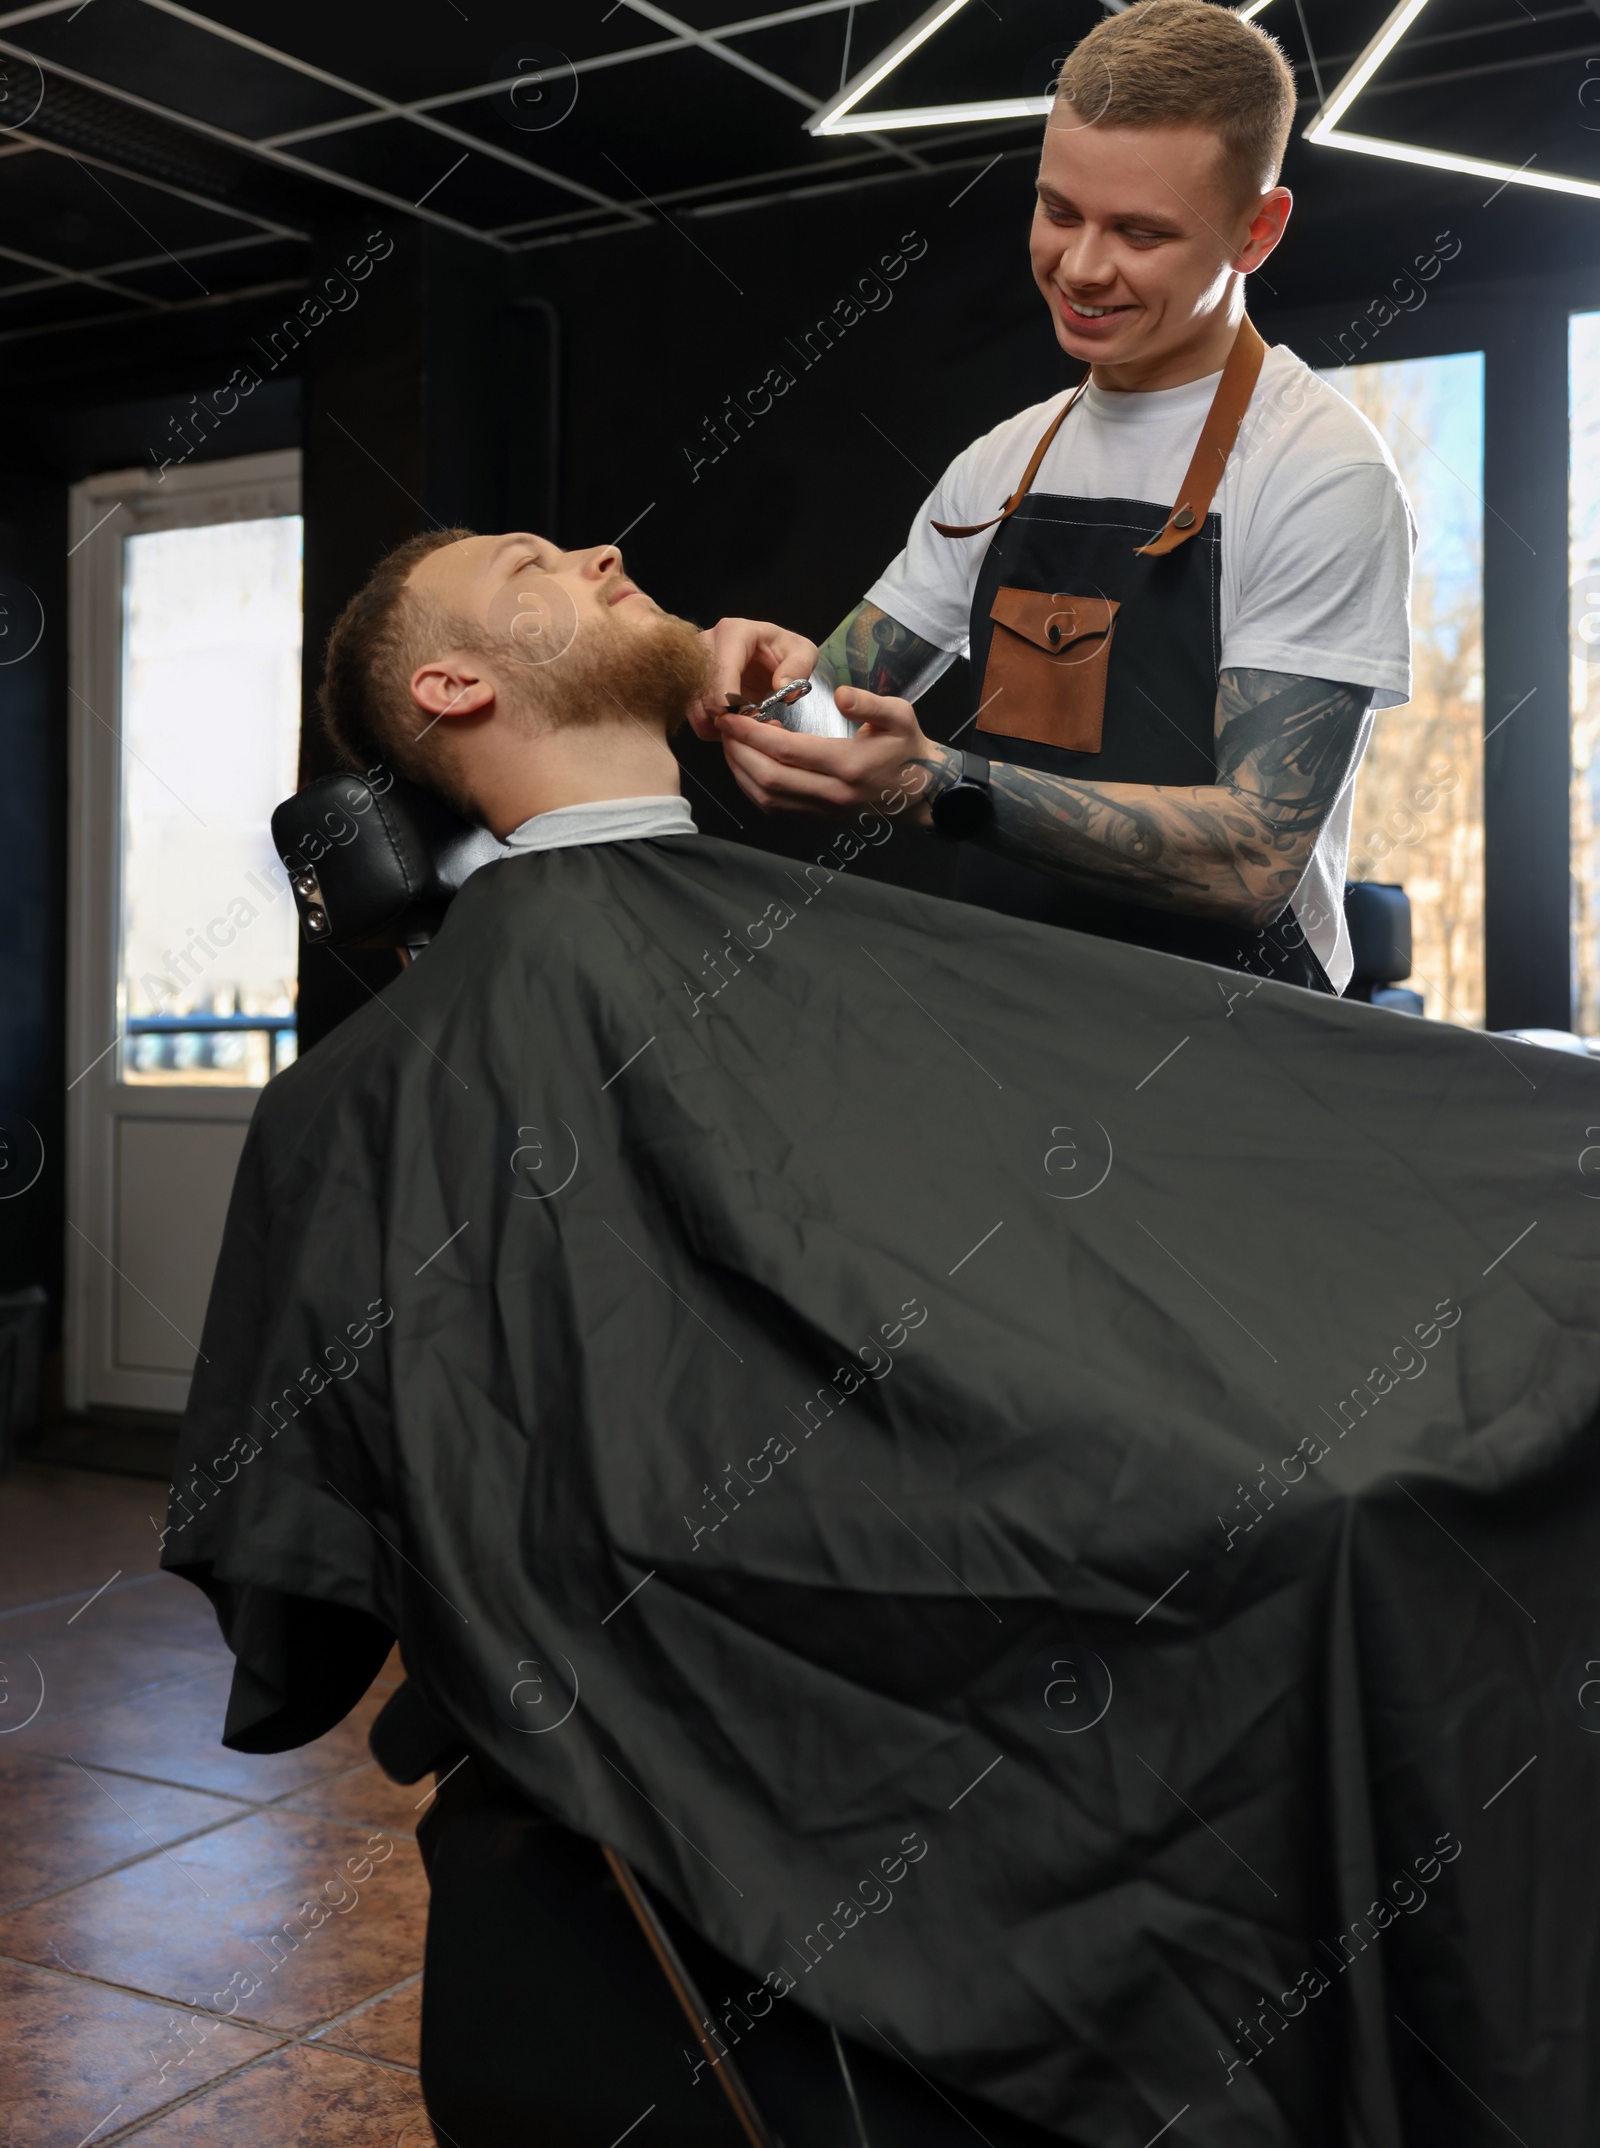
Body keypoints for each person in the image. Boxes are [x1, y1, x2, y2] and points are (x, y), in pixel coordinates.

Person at [165, 523, 1595, 2148]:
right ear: (452, 682)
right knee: (1338, 1534)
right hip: (868, 1547)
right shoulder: (395, 1087)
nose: (608, 545)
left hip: (1066, 1445)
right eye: (537, 561)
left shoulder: (786, 917)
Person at [696, 0, 1416, 995]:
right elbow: (838, 716)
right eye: (1059, 210)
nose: (1079, 268)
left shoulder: (1316, 471)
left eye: (1140, 232)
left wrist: (936, 787)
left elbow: (1254, 857)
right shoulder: (1001, 464)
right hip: (1006, 1006)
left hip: (1233, 1036)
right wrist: (755, 676)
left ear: (1257, 230)